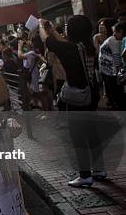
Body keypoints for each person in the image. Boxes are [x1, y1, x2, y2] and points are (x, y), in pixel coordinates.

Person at [39, 16, 103, 187]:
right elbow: (63, 42)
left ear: (73, 30)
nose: (65, 29)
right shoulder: (88, 47)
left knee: (78, 136)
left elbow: (48, 42)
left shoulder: (70, 49)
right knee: (92, 132)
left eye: (67, 26)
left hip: (77, 98)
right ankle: (99, 170)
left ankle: (85, 175)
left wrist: (41, 27)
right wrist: (52, 30)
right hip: (92, 94)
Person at [99, 21, 126, 110]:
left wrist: (119, 74)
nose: (114, 34)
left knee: (116, 93)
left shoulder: (115, 40)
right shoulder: (113, 40)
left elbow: (117, 58)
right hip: (110, 71)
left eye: (116, 31)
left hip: (111, 71)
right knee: (116, 93)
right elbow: (117, 58)